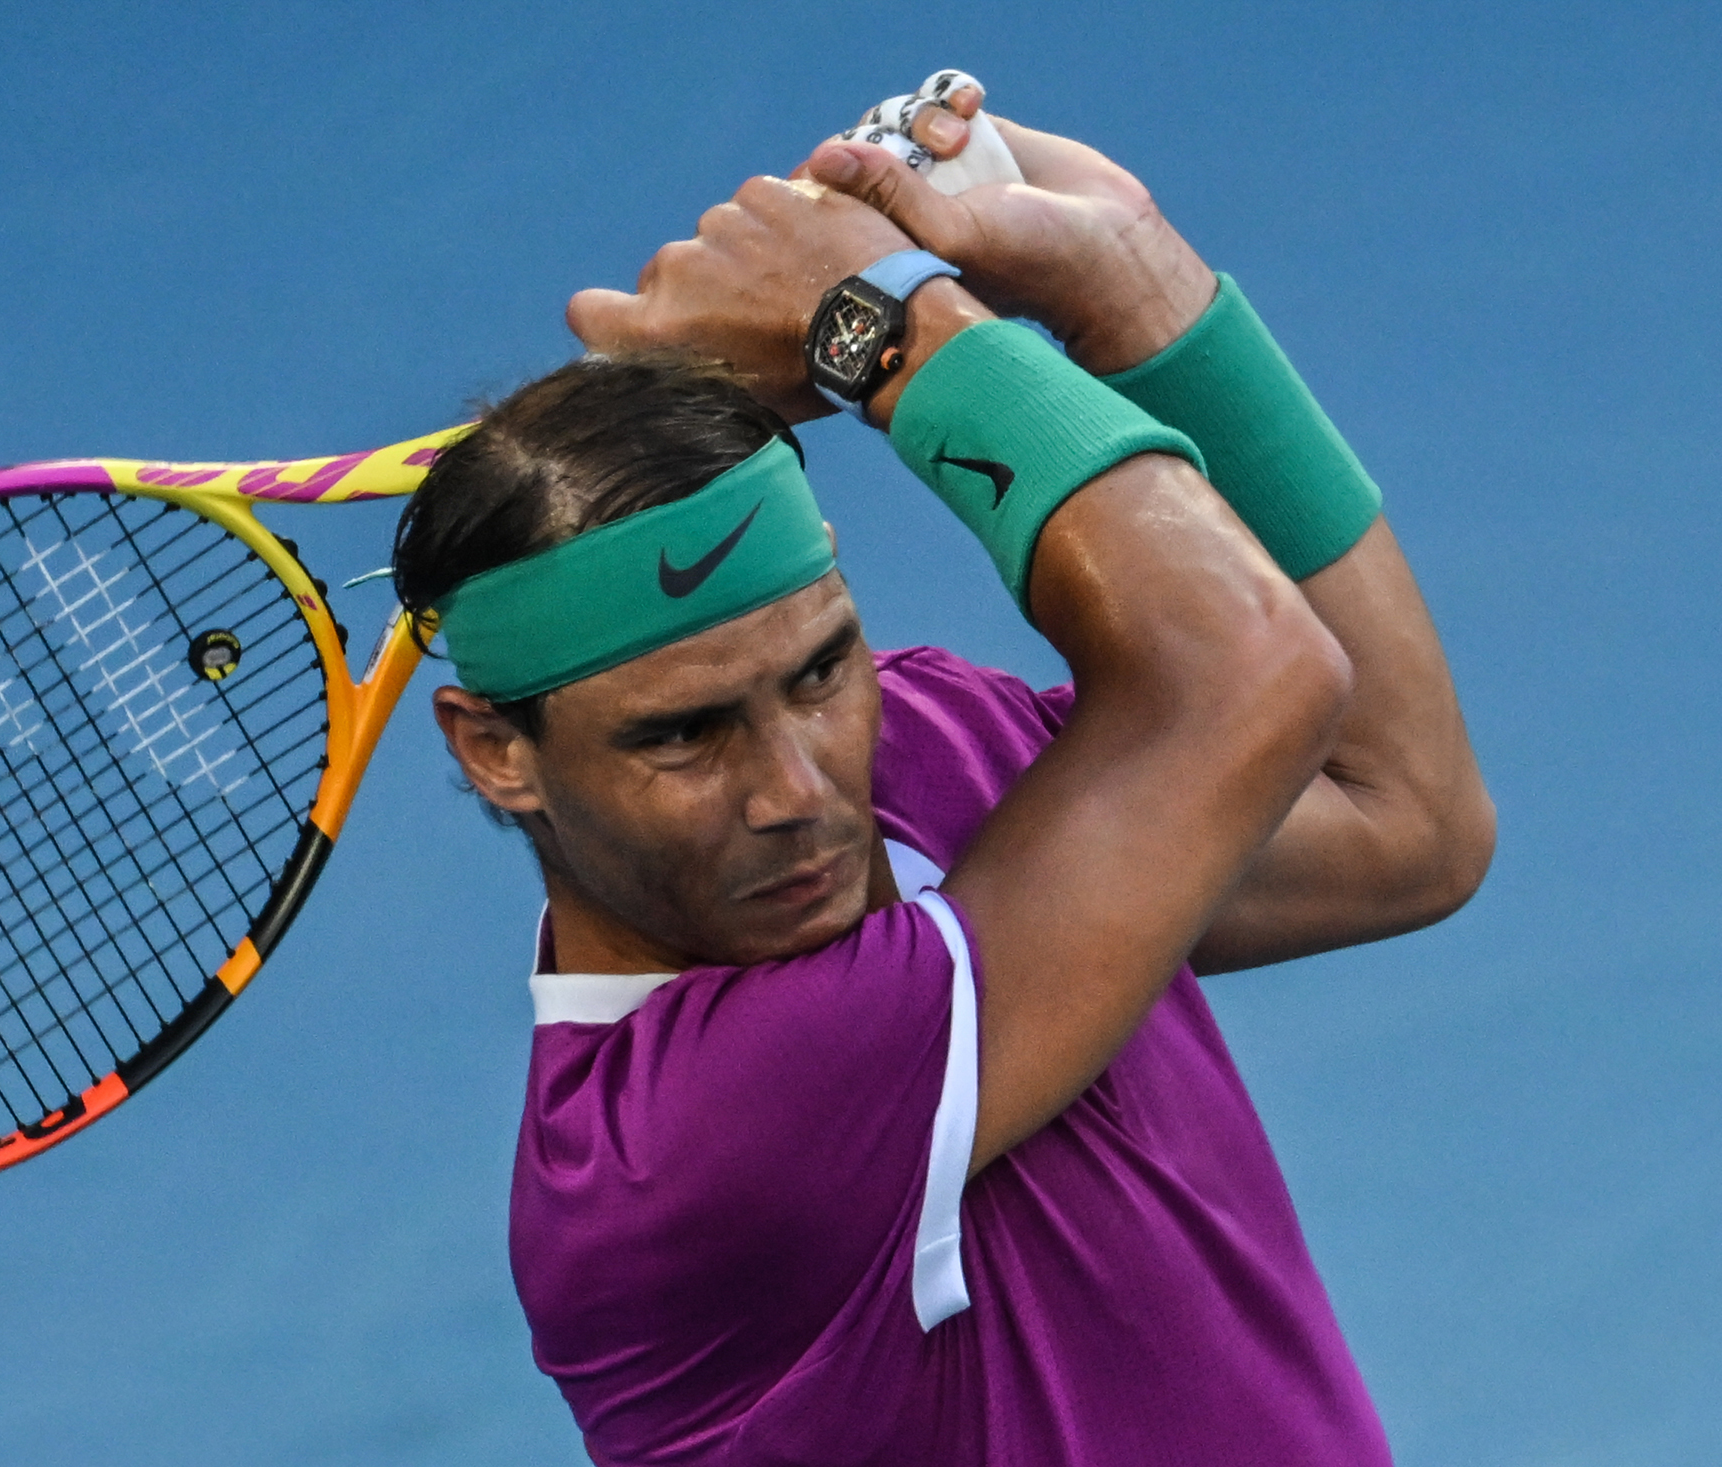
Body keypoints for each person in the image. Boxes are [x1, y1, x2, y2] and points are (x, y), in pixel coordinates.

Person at [388, 72, 1494, 1466]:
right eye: (683, 733)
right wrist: (880, 317)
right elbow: (1248, 673)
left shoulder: (925, 745)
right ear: (498, 750)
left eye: (820, 671)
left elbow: (1405, 821)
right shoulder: (674, 1157)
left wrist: (1133, 280)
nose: (800, 791)